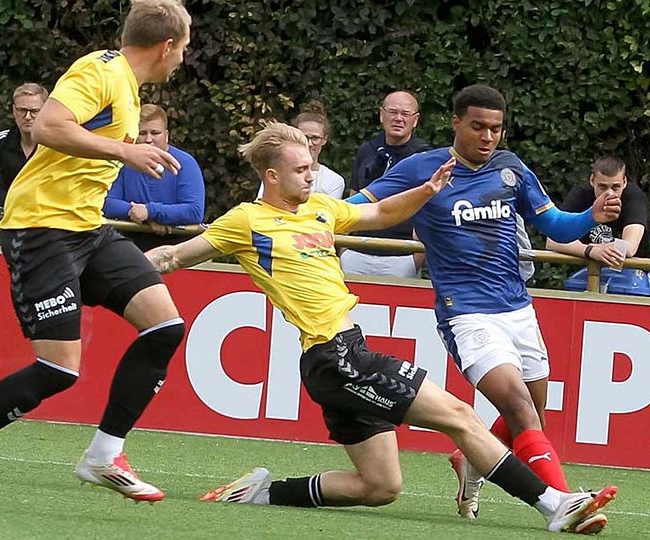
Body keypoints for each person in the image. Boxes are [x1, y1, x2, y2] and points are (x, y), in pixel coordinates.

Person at [145, 122, 616, 534]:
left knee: (380, 486)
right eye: (301, 170)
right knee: (461, 417)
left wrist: (427, 191)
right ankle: (554, 504)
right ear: (271, 176)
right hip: (338, 358)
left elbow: (380, 214)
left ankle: (257, 494)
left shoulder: (321, 209)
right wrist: (113, 275)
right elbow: (174, 256)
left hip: (338, 359)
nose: (312, 175)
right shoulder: (247, 220)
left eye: (312, 166)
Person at [0, 0, 193, 509]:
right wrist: (125, 151)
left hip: (87, 228)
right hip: (42, 227)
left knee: (166, 326)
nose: (185, 55)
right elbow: (48, 126)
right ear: (166, 46)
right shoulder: (101, 70)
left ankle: (104, 454)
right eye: (186, 45)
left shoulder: (129, 89)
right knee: (60, 370)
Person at [348, 84, 623, 520]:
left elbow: (553, 223)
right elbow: (357, 206)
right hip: (467, 314)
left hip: (517, 309)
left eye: (496, 128)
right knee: (517, 406)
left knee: (531, 417)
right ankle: (565, 504)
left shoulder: (510, 169)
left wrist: (592, 216)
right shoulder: (423, 167)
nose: (488, 137)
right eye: (478, 126)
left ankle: (470, 461)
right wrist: (305, 216)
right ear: (455, 122)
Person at [342, 91, 432, 278]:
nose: (398, 118)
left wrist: (416, 258)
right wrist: (344, 249)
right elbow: (354, 196)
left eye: (405, 114)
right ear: (381, 115)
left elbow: (428, 209)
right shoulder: (367, 150)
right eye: (393, 112)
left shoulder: (424, 158)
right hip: (357, 252)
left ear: (415, 120)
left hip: (401, 257)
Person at [103, 104, 205, 250]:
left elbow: (194, 211)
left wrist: (151, 212)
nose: (148, 139)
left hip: (178, 245)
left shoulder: (185, 163)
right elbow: (106, 203)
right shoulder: (122, 163)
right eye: (142, 133)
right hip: (131, 243)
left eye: (155, 133)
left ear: (167, 135)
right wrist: (144, 217)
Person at [547, 156, 650, 295]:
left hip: (631, 279)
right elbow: (553, 241)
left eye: (615, 187)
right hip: (584, 273)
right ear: (592, 181)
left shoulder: (634, 197)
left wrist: (587, 248)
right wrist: (591, 251)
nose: (609, 193)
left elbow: (629, 248)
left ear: (625, 182)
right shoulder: (581, 194)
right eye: (603, 186)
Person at [257, 101, 344, 199]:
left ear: (324, 139)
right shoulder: (277, 172)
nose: (309, 144)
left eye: (315, 138)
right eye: (304, 137)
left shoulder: (334, 180)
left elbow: (329, 212)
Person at [0, 83, 49, 211]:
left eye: (34, 111)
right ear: (14, 111)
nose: (28, 117)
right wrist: (23, 208)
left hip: (50, 224)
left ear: (46, 110)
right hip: (11, 222)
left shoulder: (58, 145)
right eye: (22, 110)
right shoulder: (0, 142)